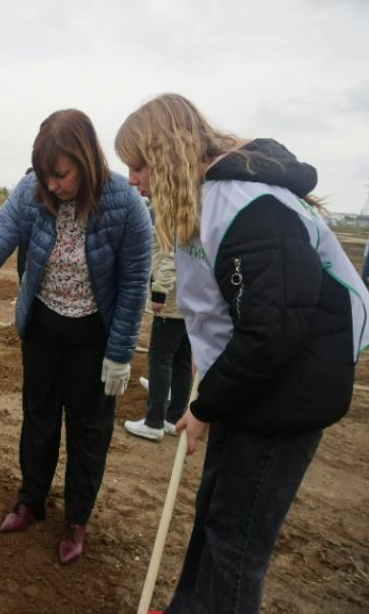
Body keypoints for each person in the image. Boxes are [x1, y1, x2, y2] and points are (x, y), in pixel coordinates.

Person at [115, 93, 369, 614]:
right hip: (253, 386)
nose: (133, 180)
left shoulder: (249, 210)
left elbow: (270, 334)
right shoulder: (208, 200)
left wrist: (204, 408)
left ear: (165, 155)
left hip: (286, 397)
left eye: (138, 166)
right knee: (214, 518)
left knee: (237, 542)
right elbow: (227, 316)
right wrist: (212, 398)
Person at [0, 109, 151, 565]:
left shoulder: (125, 204)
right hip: (42, 327)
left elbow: (135, 281)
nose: (52, 186)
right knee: (38, 419)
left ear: (88, 160)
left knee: (88, 430)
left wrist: (119, 353)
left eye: (61, 175)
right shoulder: (30, 194)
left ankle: (76, 520)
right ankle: (30, 500)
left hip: (94, 336)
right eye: (45, 175)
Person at [124, 220, 193, 442]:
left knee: (160, 358)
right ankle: (173, 419)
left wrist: (160, 291)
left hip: (171, 303)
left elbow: (171, 258)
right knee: (181, 359)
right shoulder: (193, 214)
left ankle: (153, 422)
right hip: (188, 300)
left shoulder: (173, 216)